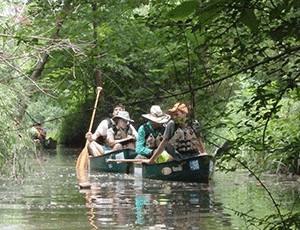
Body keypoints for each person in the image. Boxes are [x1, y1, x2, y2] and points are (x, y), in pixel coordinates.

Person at [142, 102, 207, 164]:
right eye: (173, 115)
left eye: (176, 114)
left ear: (184, 113)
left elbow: (199, 141)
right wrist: (151, 161)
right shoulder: (171, 125)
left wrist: (203, 153)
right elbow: (163, 145)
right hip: (177, 157)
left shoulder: (194, 124)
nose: (174, 117)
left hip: (193, 155)